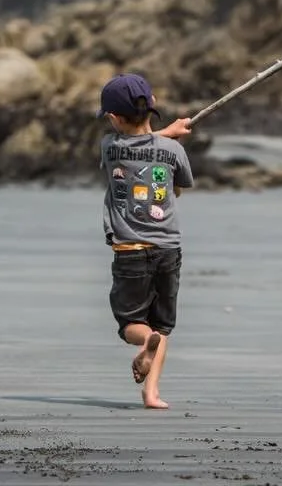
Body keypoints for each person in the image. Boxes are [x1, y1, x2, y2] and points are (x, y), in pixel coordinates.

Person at [97, 72, 195, 409]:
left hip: (130, 251)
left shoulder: (110, 148)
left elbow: (134, 145)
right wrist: (170, 137)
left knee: (130, 325)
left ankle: (145, 341)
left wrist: (166, 133)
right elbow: (177, 188)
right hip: (168, 249)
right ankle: (151, 393)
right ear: (152, 104)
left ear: (113, 118)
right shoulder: (173, 150)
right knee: (162, 326)